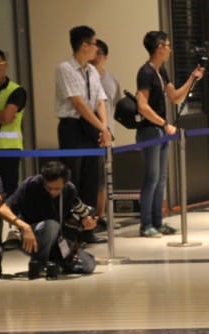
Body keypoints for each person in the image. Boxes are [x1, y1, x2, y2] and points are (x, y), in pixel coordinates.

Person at [135, 30, 205, 238]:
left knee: (161, 178)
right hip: (150, 130)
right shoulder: (145, 72)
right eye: (167, 45)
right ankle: (145, 224)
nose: (170, 49)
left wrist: (192, 78)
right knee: (151, 177)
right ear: (158, 48)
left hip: (160, 130)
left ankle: (158, 221)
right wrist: (164, 123)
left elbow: (174, 97)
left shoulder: (161, 71)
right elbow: (142, 106)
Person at [0, 160, 97, 277]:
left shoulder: (70, 190)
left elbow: (77, 214)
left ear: (65, 183)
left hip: (59, 239)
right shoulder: (30, 185)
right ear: (43, 181)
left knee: (88, 266)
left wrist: (86, 222)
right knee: (51, 225)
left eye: (57, 189)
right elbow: (5, 209)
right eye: (49, 188)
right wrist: (24, 227)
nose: (53, 192)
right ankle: (39, 263)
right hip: (30, 237)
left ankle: (55, 262)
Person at [55, 25, 109, 233]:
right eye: (95, 43)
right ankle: (70, 228)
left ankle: (88, 227)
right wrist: (101, 128)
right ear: (84, 45)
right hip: (72, 126)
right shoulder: (65, 68)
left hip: (91, 126)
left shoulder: (92, 70)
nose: (97, 48)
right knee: (73, 178)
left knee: (91, 178)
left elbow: (100, 100)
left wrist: (103, 128)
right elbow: (78, 103)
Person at [89, 39, 121, 229]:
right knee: (93, 177)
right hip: (90, 134)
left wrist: (107, 127)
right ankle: (91, 216)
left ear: (105, 57)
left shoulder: (111, 80)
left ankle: (101, 215)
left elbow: (114, 105)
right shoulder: (86, 77)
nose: (95, 56)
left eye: (99, 53)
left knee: (104, 176)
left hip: (107, 134)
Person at [0, 49, 27, 199]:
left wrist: (4, 116)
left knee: (8, 191)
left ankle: (9, 222)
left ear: (5, 65)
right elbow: (4, 116)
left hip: (8, 149)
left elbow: (7, 117)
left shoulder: (16, 91)